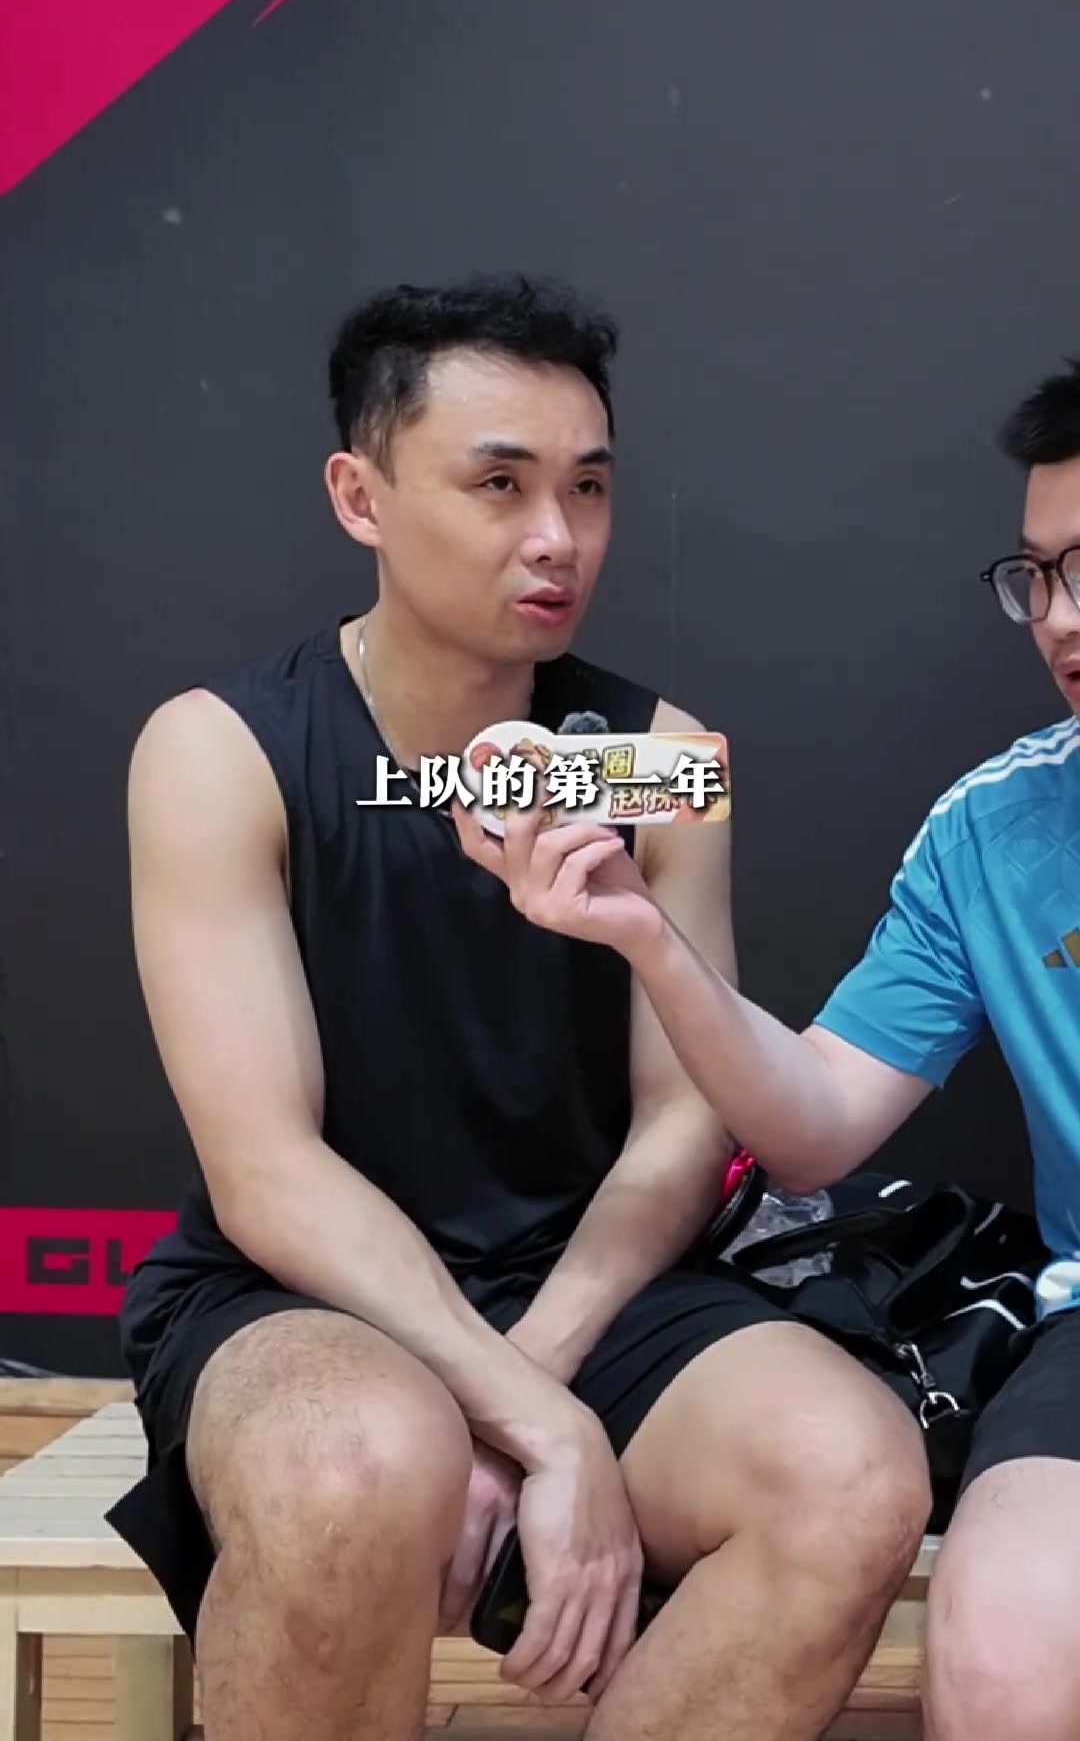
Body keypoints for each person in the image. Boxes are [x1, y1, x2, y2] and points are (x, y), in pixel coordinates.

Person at [106, 273, 929, 1741]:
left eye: (587, 487)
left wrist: (528, 1380)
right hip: (299, 1295)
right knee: (359, 1466)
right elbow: (265, 1169)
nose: (558, 536)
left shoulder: (662, 754)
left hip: (588, 1283)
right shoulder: (217, 750)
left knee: (849, 1475)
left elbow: (683, 1127)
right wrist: (532, 1421)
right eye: (501, 484)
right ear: (360, 497)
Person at [457, 350, 1080, 1741]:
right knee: (1004, 1659)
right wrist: (648, 941)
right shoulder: (994, 830)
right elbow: (810, 1129)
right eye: (1037, 575)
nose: (1056, 618)